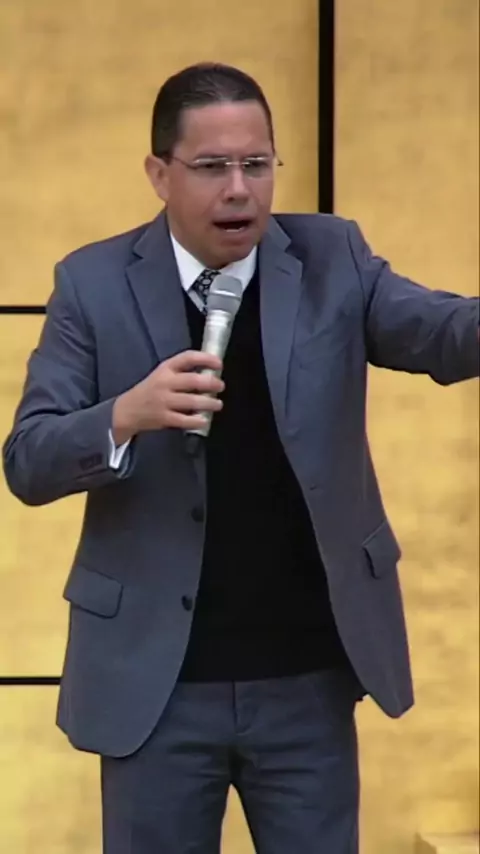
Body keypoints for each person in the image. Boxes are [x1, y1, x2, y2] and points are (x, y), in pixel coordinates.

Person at [3, 62, 479, 854]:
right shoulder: (92, 284)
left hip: (306, 675)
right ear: (159, 174)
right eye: (212, 166)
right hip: (154, 682)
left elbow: (441, 332)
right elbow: (28, 459)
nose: (239, 190)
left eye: (257, 164)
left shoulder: (332, 257)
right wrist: (124, 416)